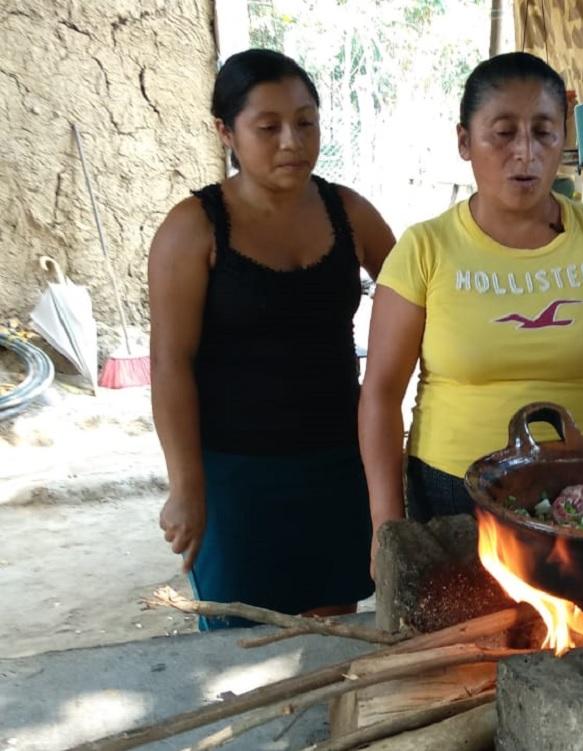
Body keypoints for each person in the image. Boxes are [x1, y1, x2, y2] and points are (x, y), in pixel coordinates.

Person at [359, 52, 583, 572]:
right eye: (503, 133)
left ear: (563, 137)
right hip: (453, 495)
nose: (525, 152)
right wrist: (386, 528)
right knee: (471, 646)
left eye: (544, 132)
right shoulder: (425, 249)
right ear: (464, 141)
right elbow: (379, 395)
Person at [149, 48, 395, 628]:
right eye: (268, 127)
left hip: (338, 461)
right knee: (240, 636)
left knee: (332, 630)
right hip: (236, 474)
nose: (292, 141)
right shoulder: (193, 229)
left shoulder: (350, 213)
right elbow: (169, 364)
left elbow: (418, 296)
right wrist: (186, 486)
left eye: (306, 122)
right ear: (225, 132)